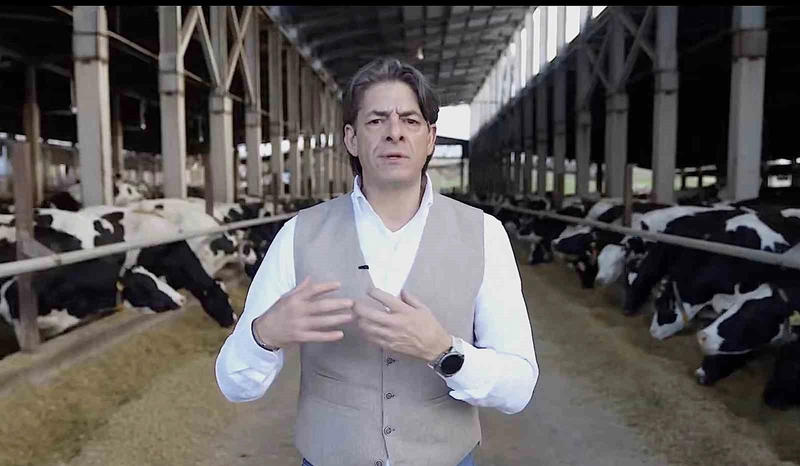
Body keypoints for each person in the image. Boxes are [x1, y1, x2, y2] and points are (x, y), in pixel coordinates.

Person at [215, 57, 539, 466]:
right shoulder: (298, 235)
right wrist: (264, 334)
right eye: (376, 120)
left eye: (410, 120)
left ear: (430, 138)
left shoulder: (484, 235)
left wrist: (444, 352)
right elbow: (234, 385)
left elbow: (519, 387)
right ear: (351, 139)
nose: (394, 132)